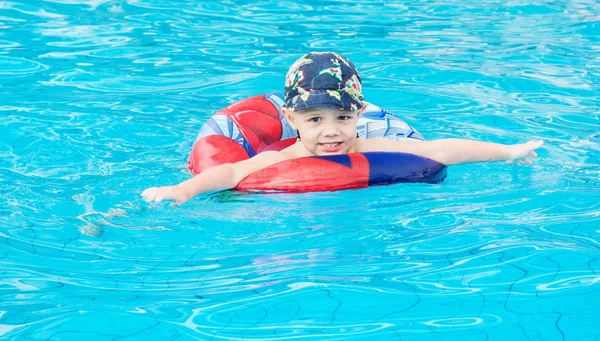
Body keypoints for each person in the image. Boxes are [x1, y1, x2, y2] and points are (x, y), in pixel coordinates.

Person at [142, 52, 542, 204]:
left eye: (343, 118)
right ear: (292, 120)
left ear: (358, 114)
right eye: (315, 120)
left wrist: (508, 151)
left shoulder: (371, 145)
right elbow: (229, 172)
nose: (331, 132)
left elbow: (439, 150)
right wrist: (182, 190)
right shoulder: (278, 157)